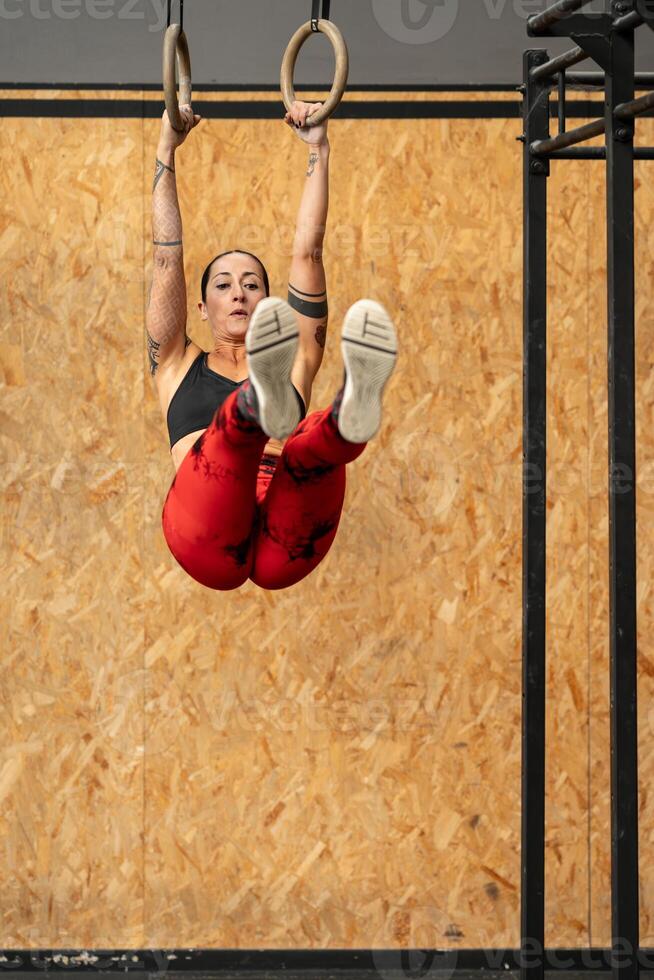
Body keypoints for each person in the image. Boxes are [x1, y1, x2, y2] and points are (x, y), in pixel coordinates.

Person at [146, 99, 398, 591]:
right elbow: (164, 261)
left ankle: (350, 410)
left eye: (251, 284)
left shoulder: (299, 353)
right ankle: (257, 403)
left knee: (310, 450)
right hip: (206, 536)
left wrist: (318, 148)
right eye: (222, 284)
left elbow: (309, 250)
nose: (238, 291)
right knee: (236, 441)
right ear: (201, 309)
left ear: (268, 302)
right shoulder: (175, 362)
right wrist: (166, 149)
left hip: (286, 538)